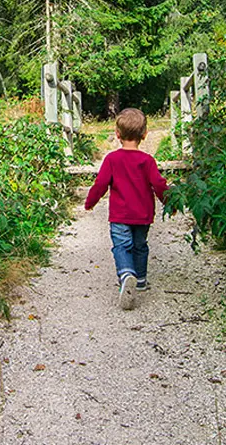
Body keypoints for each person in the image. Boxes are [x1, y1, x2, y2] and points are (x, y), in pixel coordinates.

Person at [84, 108, 168, 310]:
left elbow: (100, 184)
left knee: (121, 246)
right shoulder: (148, 161)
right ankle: (140, 280)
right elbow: (159, 184)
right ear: (145, 135)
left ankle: (126, 274)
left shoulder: (112, 159)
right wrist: (168, 202)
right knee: (140, 245)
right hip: (143, 215)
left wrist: (91, 202)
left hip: (120, 215)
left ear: (117, 134)